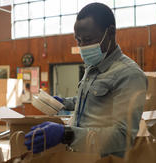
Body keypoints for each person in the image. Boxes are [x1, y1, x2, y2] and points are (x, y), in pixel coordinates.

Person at [24, 2, 148, 157]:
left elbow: (123, 137)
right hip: (80, 155)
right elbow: (92, 100)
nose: (82, 46)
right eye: (78, 40)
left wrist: (67, 134)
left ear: (110, 32)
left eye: (88, 39)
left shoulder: (129, 74)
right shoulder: (92, 67)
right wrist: (64, 103)